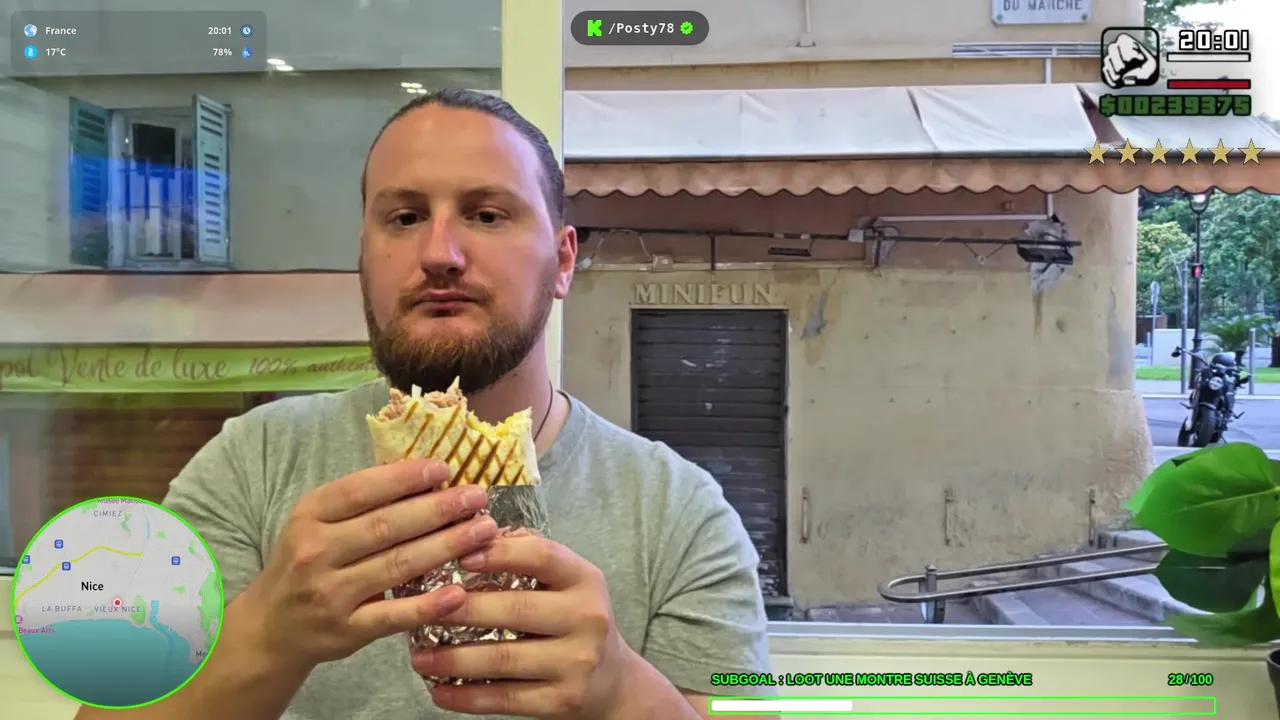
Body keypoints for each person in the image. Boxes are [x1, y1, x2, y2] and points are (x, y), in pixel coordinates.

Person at [76, 88, 772, 720]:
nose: (440, 252)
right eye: (405, 217)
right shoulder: (252, 464)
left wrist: (620, 690)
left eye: (487, 214)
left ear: (563, 261)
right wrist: (270, 634)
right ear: (364, 257)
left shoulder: (679, 513)